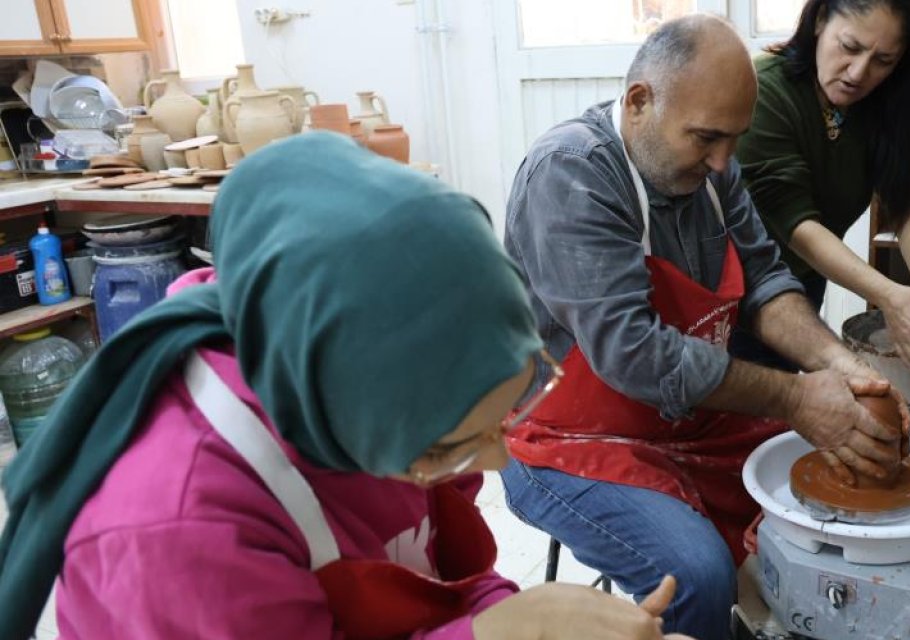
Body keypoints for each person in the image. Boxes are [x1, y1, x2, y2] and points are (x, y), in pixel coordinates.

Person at [0, 134, 693, 640]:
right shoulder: (176, 532)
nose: (499, 460)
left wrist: (517, 616)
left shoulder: (389, 402)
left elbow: (436, 571)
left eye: (514, 403)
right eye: (456, 445)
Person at [500, 15, 910, 640]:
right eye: (706, 138)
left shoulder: (715, 170)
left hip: (676, 417)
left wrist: (839, 365)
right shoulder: (572, 174)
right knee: (696, 573)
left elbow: (768, 284)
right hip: (558, 438)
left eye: (734, 139)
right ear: (639, 101)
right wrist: (797, 396)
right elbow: (632, 355)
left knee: (820, 482)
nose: (723, 160)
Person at [731, 0, 910, 372]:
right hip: (731, 297)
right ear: (821, 20)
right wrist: (889, 296)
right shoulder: (765, 92)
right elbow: (796, 225)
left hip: (801, 284)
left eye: (883, 61)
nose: (858, 73)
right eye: (850, 47)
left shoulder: (881, 104)